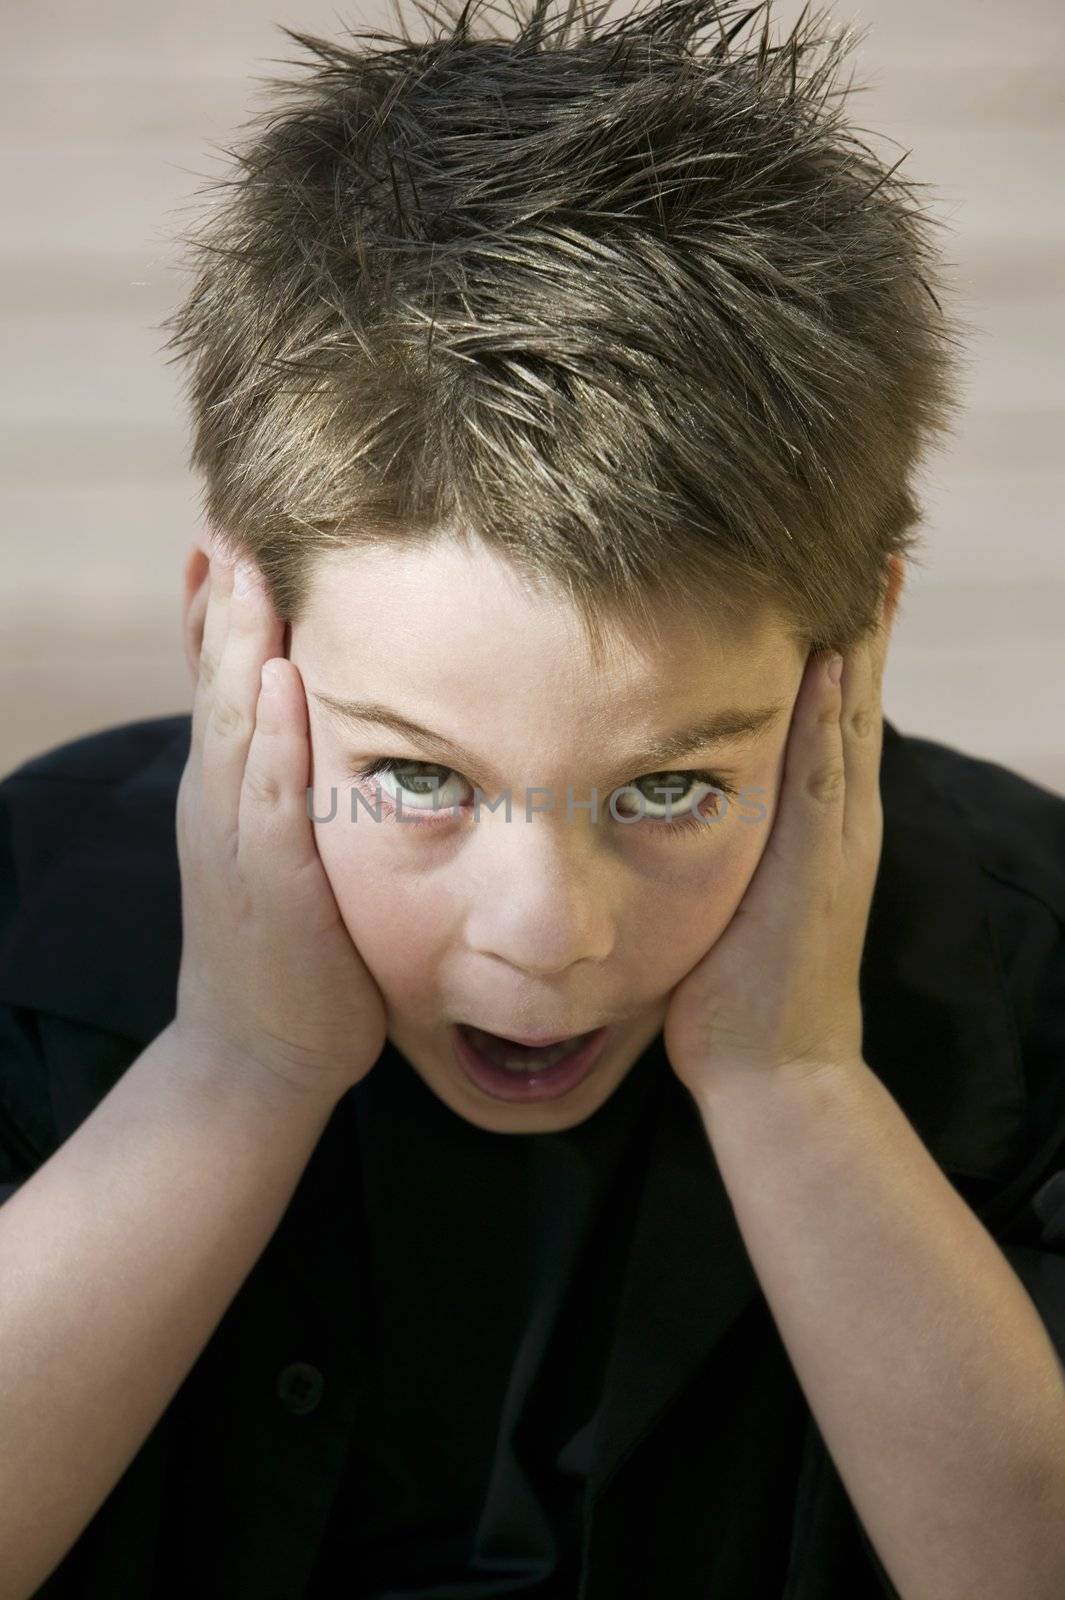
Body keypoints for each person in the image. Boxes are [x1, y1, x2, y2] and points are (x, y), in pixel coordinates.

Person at [1, 1, 1064, 1596]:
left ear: (852, 650)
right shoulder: (30, 915)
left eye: (669, 788)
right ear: (240, 636)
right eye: (418, 776)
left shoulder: (1026, 971)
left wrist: (796, 1080)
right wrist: (237, 1066)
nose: (544, 935)